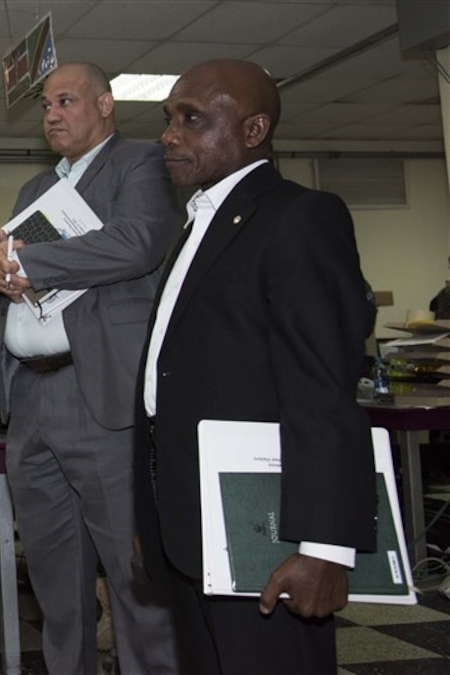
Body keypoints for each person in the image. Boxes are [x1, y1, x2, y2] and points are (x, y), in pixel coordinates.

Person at [136, 58, 375, 674]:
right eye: (169, 119)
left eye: (192, 119)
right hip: (191, 530)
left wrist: (325, 549)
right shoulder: (195, 228)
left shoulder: (300, 218)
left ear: (253, 130)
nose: (170, 134)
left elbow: (322, 391)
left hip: (266, 536)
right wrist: (153, 518)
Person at [0, 62, 180, 675]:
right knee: (56, 580)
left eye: (66, 101)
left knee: (131, 572)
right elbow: (4, 265)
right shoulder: (36, 189)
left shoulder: (140, 162)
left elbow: (138, 241)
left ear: (106, 104)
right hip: (29, 401)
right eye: (45, 105)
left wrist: (31, 260)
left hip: (98, 396)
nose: (52, 114)